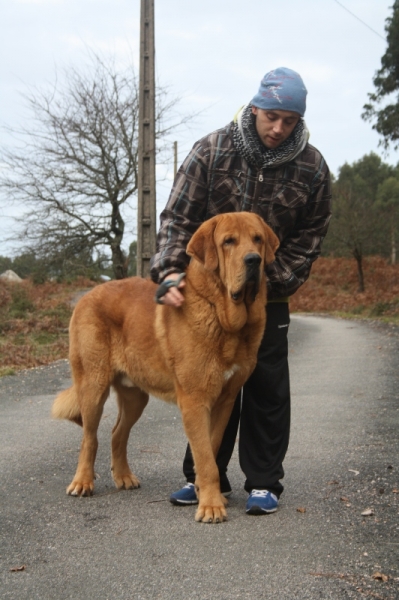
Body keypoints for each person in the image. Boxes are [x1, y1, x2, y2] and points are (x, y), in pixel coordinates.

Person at [150, 67, 332, 515]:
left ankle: (265, 482)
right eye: (272, 116)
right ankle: (204, 479)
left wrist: (273, 280)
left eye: (289, 121)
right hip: (206, 293)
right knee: (208, 384)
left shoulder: (312, 167)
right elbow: (178, 217)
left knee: (267, 385)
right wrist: (170, 272)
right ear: (254, 109)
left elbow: (311, 235)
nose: (278, 128)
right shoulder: (211, 150)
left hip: (269, 293)